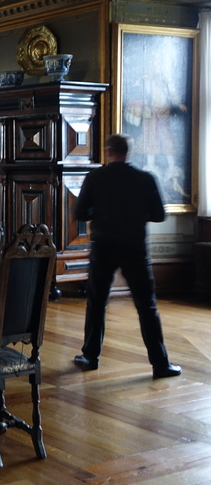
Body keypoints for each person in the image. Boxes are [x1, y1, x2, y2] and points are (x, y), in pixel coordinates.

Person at [72, 134, 181, 379]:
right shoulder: (145, 179)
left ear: (109, 151)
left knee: (97, 303)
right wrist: (136, 213)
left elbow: (79, 212)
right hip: (134, 248)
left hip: (103, 247)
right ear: (128, 152)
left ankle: (90, 356)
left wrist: (99, 211)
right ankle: (160, 364)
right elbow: (159, 215)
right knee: (147, 306)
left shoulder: (95, 177)